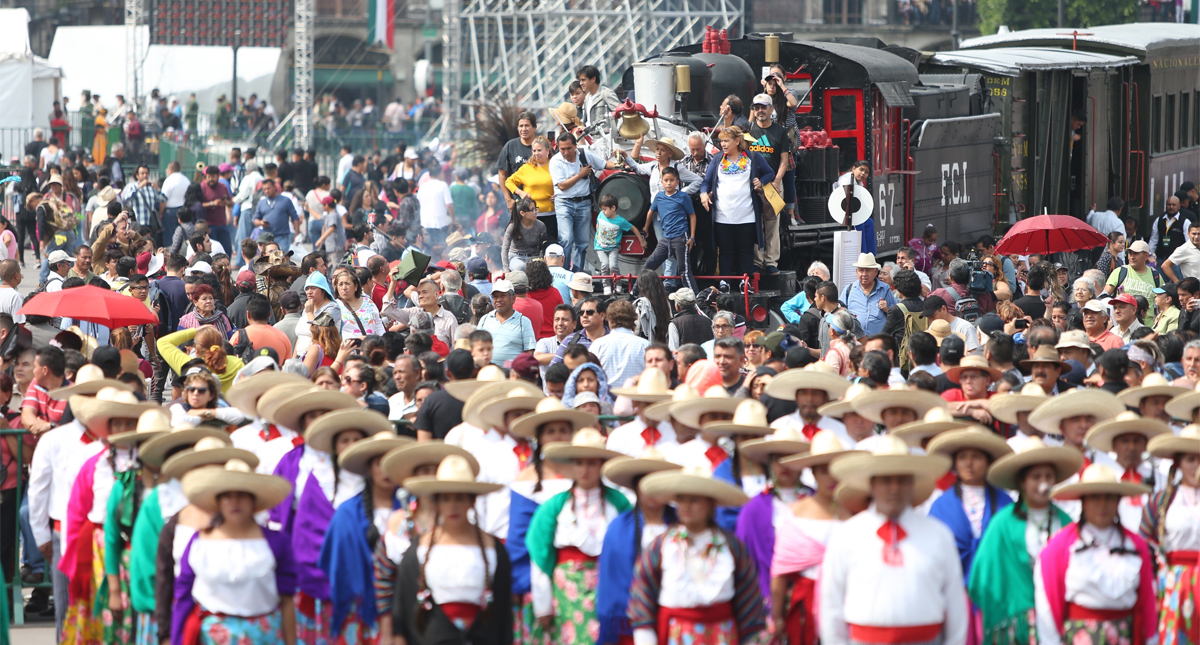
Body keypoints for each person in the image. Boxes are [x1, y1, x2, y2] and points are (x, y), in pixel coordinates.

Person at [822, 434, 968, 644]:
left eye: (901, 480)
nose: (894, 488)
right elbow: (831, 605)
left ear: (912, 484)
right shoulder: (847, 535)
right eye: (886, 480)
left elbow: (955, 603)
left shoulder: (938, 534)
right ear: (872, 484)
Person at [627, 463, 766, 644]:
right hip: (675, 636)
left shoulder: (731, 547)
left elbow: (748, 599)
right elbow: (643, 597)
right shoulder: (661, 546)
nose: (686, 506)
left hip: (722, 636)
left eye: (694, 500)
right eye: (682, 499)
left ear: (710, 504)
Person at [966, 435, 1082, 643]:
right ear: (1022, 482)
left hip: (1058, 617)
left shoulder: (1065, 522)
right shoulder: (1002, 524)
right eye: (1036, 477)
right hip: (1016, 624)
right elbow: (982, 577)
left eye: (1048, 476)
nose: (1043, 483)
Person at [390, 454, 513, 645]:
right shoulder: (418, 550)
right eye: (446, 499)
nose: (453, 506)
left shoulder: (494, 549)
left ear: (472, 501)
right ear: (436, 502)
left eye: (460, 497)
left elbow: (503, 613)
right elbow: (403, 612)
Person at [172, 458, 297, 645]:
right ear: (218, 502)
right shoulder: (199, 541)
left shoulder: (276, 542)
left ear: (253, 500)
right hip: (212, 636)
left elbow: (287, 600)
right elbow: (183, 597)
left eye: (242, 495)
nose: (234, 502)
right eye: (227, 496)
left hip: (264, 636)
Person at [524, 429, 628, 643]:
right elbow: (540, 554)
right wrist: (543, 604)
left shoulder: (619, 504)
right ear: (571, 466)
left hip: (608, 586)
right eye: (580, 463)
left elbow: (630, 550)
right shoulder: (554, 506)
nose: (585, 469)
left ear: (601, 465)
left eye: (592, 463)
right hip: (565, 592)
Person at [1035, 464, 1156, 645]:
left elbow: (1147, 600)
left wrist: (1151, 639)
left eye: (1109, 497)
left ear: (1118, 501)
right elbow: (1047, 609)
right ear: (1083, 502)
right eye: (1095, 497)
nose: (1102, 504)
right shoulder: (1059, 547)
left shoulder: (1136, 546)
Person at [317, 430, 411, 644]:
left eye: (392, 462)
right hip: (359, 610)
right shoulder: (347, 513)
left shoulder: (414, 508)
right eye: (380, 463)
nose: (386, 470)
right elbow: (337, 566)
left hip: (406, 607)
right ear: (368, 468)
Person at [772, 431, 860, 645]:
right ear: (813, 473)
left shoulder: (858, 512)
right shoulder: (794, 513)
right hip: (805, 607)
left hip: (851, 602)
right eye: (823, 470)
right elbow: (780, 571)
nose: (831, 477)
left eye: (835, 469)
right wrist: (777, 617)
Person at [595, 448, 681, 645]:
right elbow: (611, 583)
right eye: (645, 483)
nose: (651, 490)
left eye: (657, 482)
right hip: (630, 625)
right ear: (635, 487)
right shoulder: (617, 529)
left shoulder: (682, 524)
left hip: (677, 621)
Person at [1141, 425, 1200, 644]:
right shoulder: (1160, 501)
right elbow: (1144, 547)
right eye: (1191, 459)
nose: (1197, 466)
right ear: (1178, 463)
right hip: (1173, 586)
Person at [699, 126, 775, 279]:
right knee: (726, 251)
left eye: (727, 141)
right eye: (721, 141)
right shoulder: (717, 159)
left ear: (737, 141)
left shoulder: (752, 157)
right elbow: (706, 182)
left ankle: (744, 283)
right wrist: (703, 194)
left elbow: (770, 173)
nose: (723, 144)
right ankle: (725, 282)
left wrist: (761, 181)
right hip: (722, 216)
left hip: (746, 215)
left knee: (746, 251)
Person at [549, 132, 618, 271]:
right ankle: (565, 272)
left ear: (575, 146)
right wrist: (580, 174)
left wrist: (621, 164)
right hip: (564, 203)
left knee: (582, 242)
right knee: (566, 239)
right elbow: (562, 186)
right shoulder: (555, 161)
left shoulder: (584, 154)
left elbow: (604, 164)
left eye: (569, 148)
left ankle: (577, 273)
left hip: (584, 202)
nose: (566, 152)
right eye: (562, 149)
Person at [642, 167, 698, 292]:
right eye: (666, 180)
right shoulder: (659, 197)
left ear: (677, 182)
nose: (668, 183)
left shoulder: (683, 197)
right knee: (649, 264)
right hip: (665, 238)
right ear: (662, 182)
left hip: (680, 237)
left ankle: (695, 297)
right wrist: (646, 227)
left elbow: (692, 216)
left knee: (684, 270)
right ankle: (634, 292)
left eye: (672, 180)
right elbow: (651, 212)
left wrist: (692, 237)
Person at [593, 193, 642, 277]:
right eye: (602, 209)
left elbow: (633, 228)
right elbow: (598, 223)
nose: (603, 211)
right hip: (600, 246)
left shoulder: (621, 221)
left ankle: (617, 283)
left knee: (613, 266)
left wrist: (642, 241)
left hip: (613, 248)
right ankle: (606, 285)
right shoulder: (601, 214)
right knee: (604, 265)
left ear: (613, 208)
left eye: (605, 209)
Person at [501, 197, 547, 272]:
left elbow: (543, 247)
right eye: (532, 210)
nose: (535, 212)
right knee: (520, 267)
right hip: (516, 256)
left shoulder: (541, 226)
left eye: (536, 209)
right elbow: (505, 249)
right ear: (522, 213)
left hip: (533, 257)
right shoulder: (513, 227)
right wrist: (506, 270)